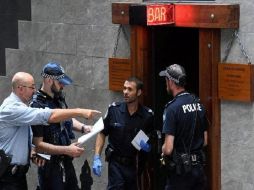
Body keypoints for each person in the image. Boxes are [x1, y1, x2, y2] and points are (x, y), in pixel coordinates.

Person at [0, 71, 100, 190]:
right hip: (9, 176)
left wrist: (32, 153)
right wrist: (80, 111)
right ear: (20, 89)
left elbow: (22, 138)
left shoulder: (24, 107)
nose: (34, 90)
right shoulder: (12, 109)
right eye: (32, 87)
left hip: (18, 174)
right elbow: (49, 117)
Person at [30, 62, 94, 190]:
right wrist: (67, 150)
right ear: (49, 80)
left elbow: (67, 119)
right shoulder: (37, 106)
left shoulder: (57, 98)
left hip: (65, 161)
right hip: (49, 165)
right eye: (60, 82)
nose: (63, 85)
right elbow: (38, 144)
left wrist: (83, 128)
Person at [92, 76, 154, 190]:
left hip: (135, 166)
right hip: (116, 164)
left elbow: (150, 141)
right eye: (124, 88)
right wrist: (97, 157)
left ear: (139, 92)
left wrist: (147, 147)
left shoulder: (147, 116)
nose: (125, 92)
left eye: (130, 89)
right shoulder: (114, 110)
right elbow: (102, 133)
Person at [159, 64, 209, 190]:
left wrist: (162, 148)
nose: (166, 83)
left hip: (181, 173)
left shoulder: (171, 108)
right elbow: (205, 141)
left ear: (171, 82)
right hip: (198, 170)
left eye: (166, 80)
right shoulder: (198, 104)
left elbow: (169, 148)